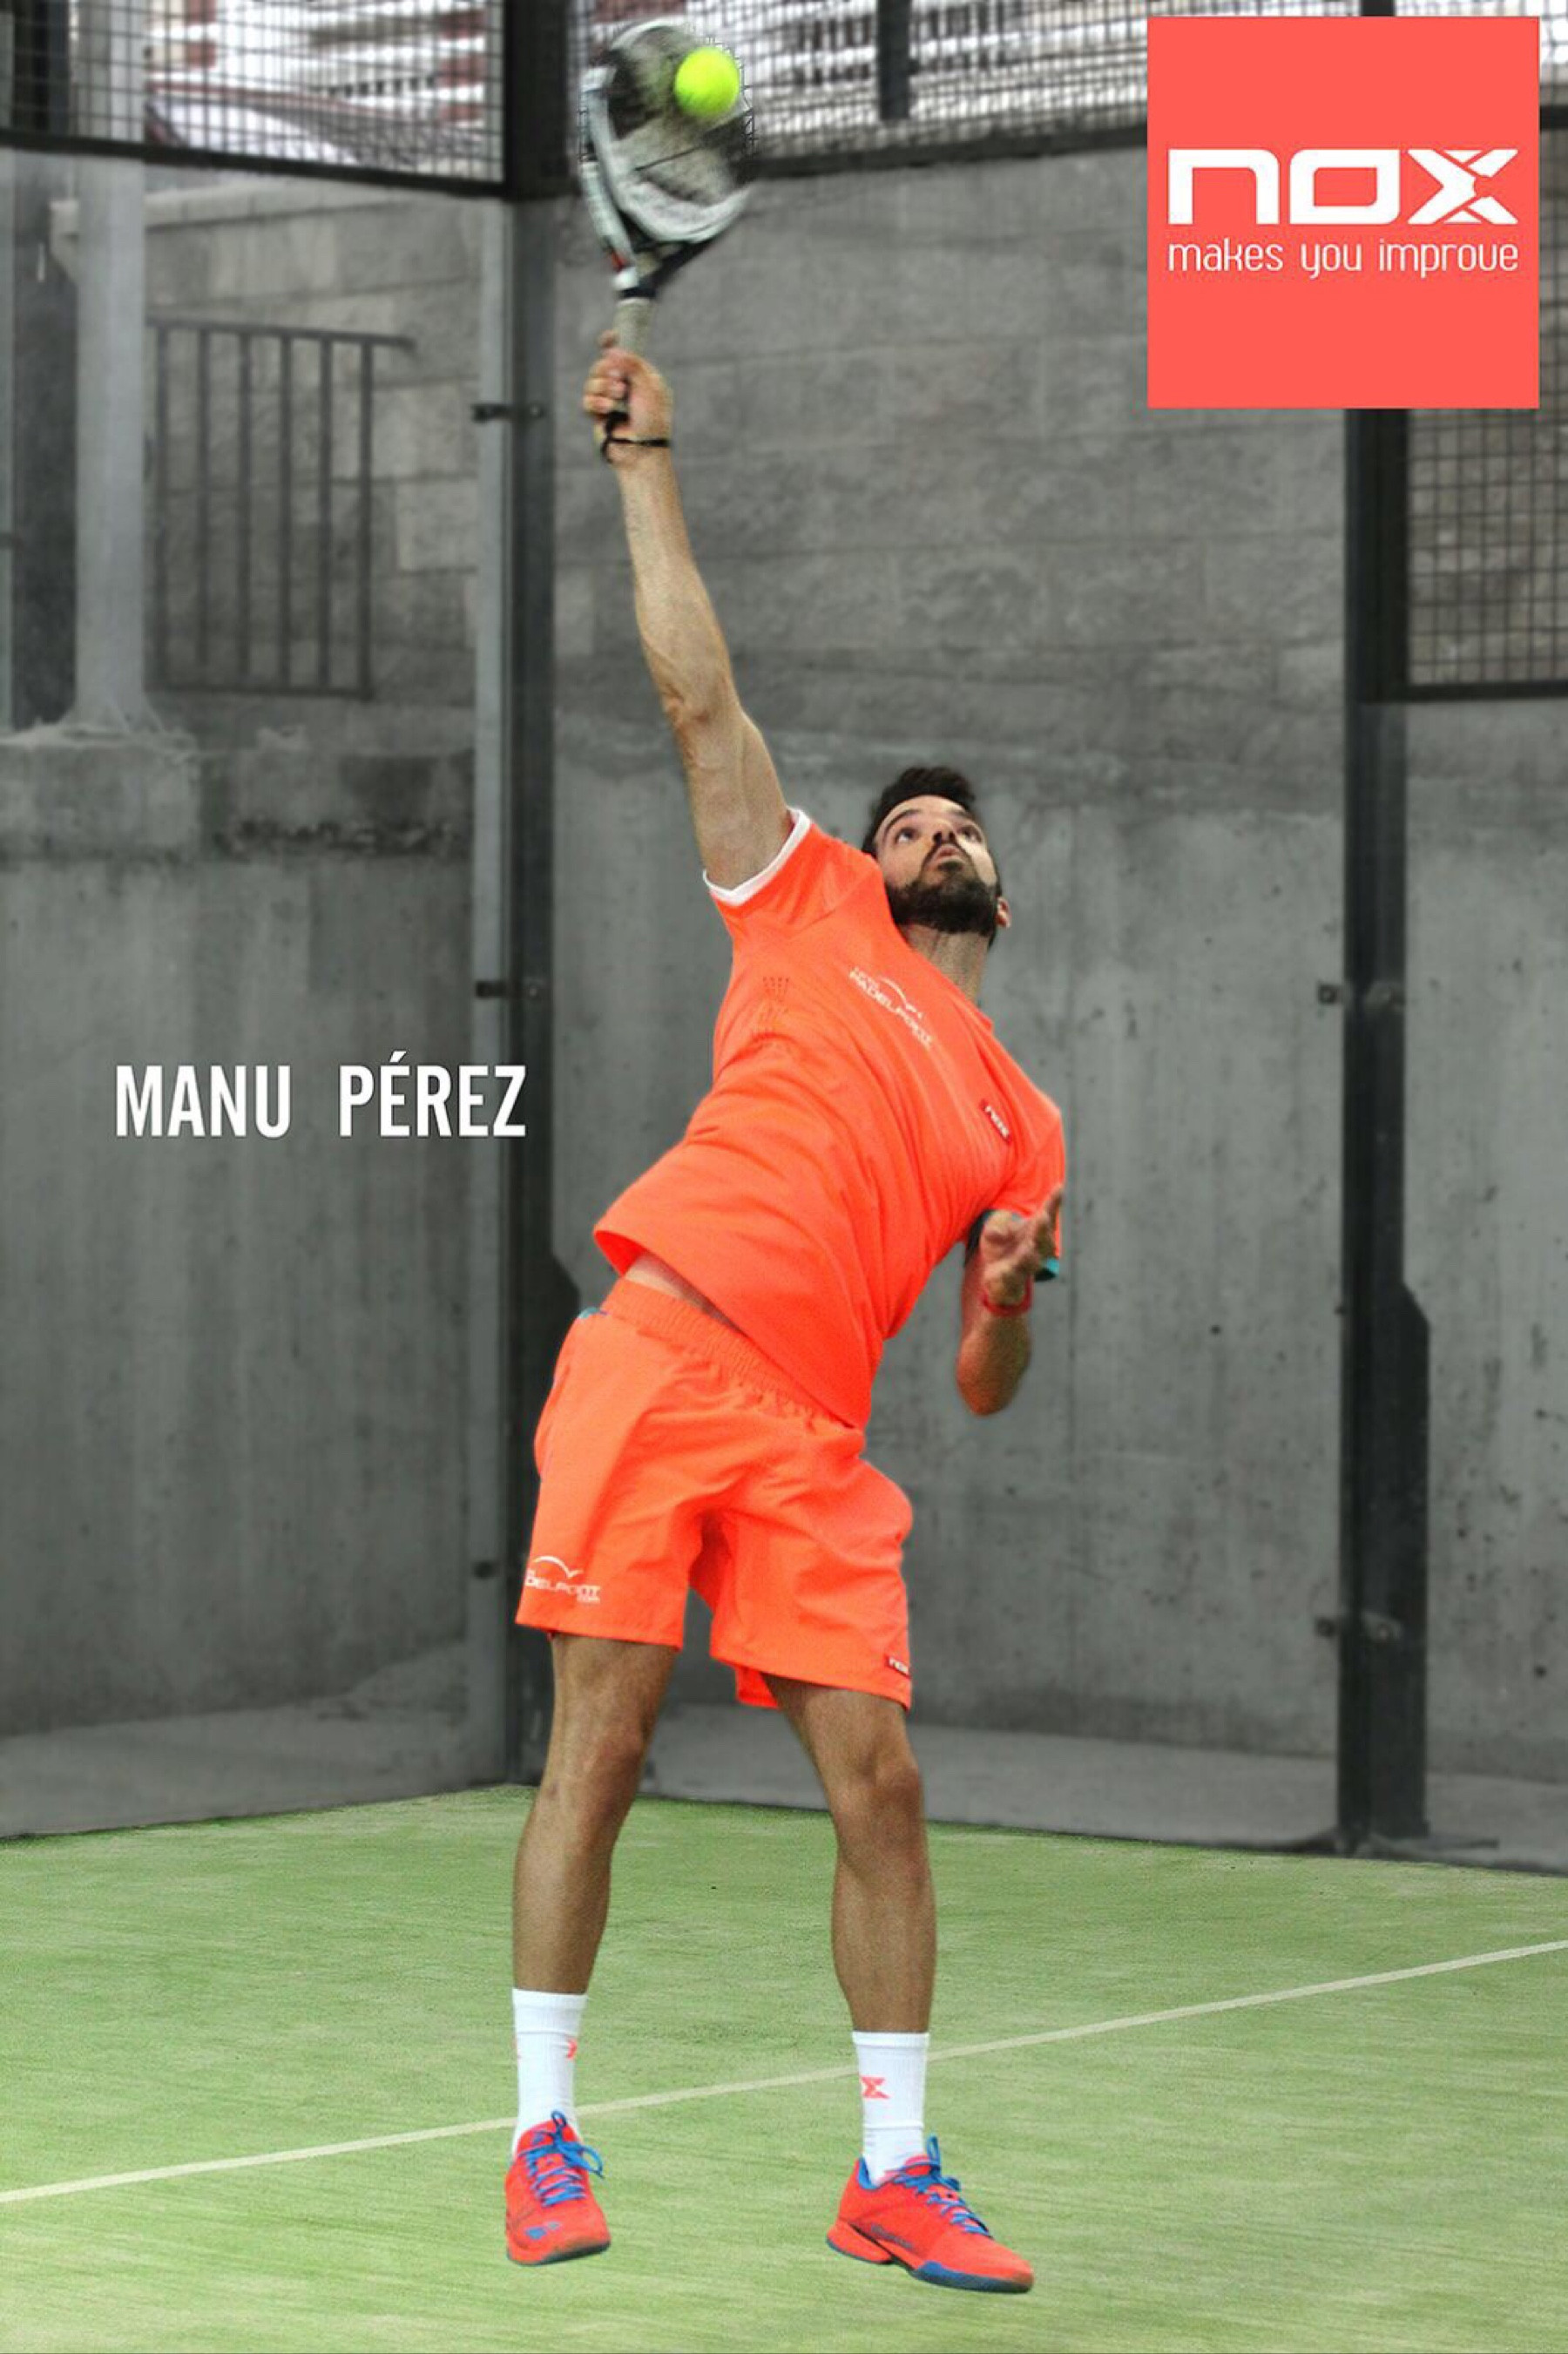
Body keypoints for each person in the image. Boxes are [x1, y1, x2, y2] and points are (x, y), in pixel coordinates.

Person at [503, 335, 1066, 2296]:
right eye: (904, 823)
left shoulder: (1027, 1125)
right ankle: (544, 2135)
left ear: (999, 895)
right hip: (662, 1352)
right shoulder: (805, 899)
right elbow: (696, 692)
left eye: (953, 828)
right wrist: (645, 464)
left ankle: (893, 2171)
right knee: (602, 1740)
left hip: (817, 1439)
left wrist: (1006, 1295)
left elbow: (983, 1383)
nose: (928, 835)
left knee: (883, 1784)